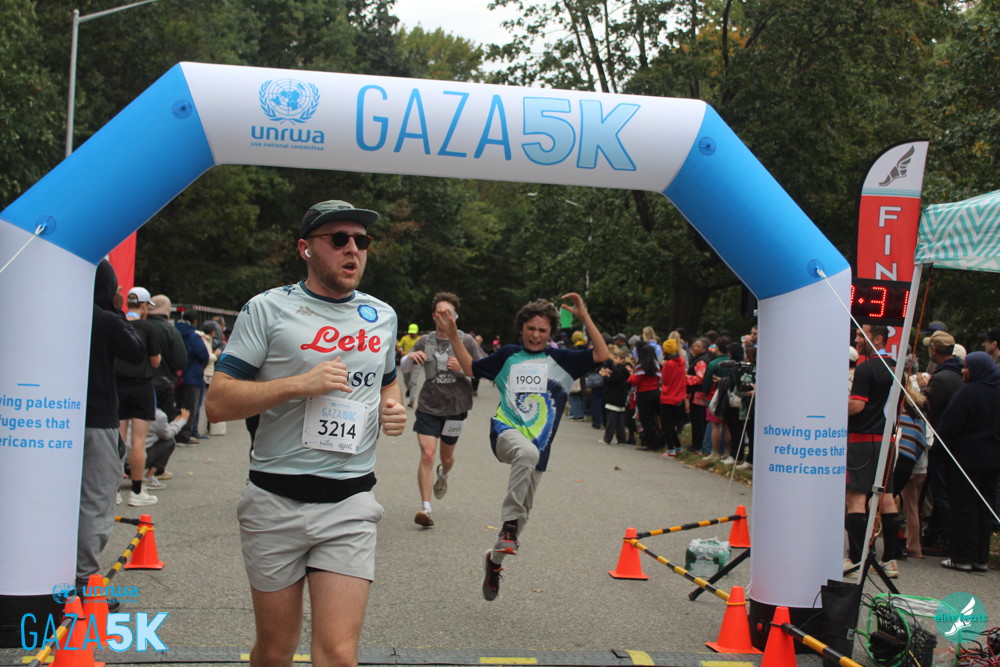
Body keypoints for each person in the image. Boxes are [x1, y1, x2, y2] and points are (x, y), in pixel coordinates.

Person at [205, 199, 406, 667]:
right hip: (274, 501)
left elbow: (387, 381)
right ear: (305, 249)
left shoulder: (382, 315)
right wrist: (299, 384)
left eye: (361, 240)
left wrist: (393, 408)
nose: (353, 248)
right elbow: (218, 403)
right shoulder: (267, 309)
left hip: (350, 502)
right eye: (338, 239)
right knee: (275, 651)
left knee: (338, 653)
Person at [441, 294, 608, 601]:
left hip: (538, 449)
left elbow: (601, 353)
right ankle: (507, 525)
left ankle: (494, 561)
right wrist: (453, 335)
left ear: (551, 333)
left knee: (523, 518)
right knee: (525, 456)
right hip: (505, 433)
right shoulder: (508, 355)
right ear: (521, 328)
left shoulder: (563, 361)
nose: (535, 335)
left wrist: (584, 316)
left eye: (542, 330)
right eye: (531, 328)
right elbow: (470, 368)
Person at [78, 260, 145, 590]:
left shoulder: (52, 311)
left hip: (47, 419)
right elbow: (135, 351)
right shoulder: (104, 320)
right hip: (97, 420)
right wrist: (116, 310)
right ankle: (83, 582)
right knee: (95, 501)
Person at [401, 292, 485, 527]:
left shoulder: (466, 341)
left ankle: (444, 474)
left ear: (455, 316)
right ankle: (425, 508)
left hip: (456, 407)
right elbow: (404, 367)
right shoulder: (425, 341)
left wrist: (463, 368)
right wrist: (411, 356)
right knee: (428, 455)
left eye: (448, 313)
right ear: (433, 316)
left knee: (446, 458)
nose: (443, 317)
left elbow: (483, 369)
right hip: (429, 405)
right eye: (439, 313)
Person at [935, 351, 1000, 572]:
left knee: (964, 508)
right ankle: (981, 558)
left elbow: (950, 426)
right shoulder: (996, 392)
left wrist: (940, 452)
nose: (963, 371)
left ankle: (962, 556)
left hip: (965, 461)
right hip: (992, 462)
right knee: (985, 508)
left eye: (966, 367)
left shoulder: (968, 393)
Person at [845, 324, 900, 579]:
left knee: (856, 498)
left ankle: (857, 559)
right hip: (888, 440)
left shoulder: (866, 368)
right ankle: (890, 560)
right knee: (886, 498)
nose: (857, 339)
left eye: (861, 335)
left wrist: (833, 406)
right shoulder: (897, 367)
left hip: (863, 440)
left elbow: (856, 406)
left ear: (878, 339)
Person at [117, 287, 163, 507]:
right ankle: (136, 491)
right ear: (144, 306)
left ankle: (114, 489)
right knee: (138, 441)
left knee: (117, 440)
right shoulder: (148, 327)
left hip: (117, 385)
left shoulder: (118, 324)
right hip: (142, 386)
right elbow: (155, 361)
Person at [147, 294, 187, 420]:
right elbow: (180, 361)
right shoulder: (171, 331)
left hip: (141, 383)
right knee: (164, 420)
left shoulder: (139, 326)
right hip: (165, 384)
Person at [175, 311, 208, 444]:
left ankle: (174, 432)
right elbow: (204, 355)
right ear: (195, 321)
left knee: (177, 405)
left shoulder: (175, 332)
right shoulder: (194, 337)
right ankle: (185, 436)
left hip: (177, 376)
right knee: (190, 406)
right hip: (192, 376)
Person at [658, 339, 686, 457]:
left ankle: (671, 449)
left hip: (668, 396)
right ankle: (678, 446)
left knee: (667, 424)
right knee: (673, 423)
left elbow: (665, 380)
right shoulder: (681, 361)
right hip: (679, 395)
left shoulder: (668, 364)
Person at [599, 349, 631, 445]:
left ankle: (607, 438)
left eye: (616, 358)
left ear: (622, 359)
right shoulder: (624, 370)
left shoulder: (619, 370)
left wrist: (604, 376)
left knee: (611, 419)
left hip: (614, 396)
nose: (614, 360)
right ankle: (621, 439)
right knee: (620, 420)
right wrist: (610, 373)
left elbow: (611, 382)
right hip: (622, 396)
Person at [397, 323, 421, 407]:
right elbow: (399, 346)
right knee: (406, 381)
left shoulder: (420, 340)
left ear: (417, 332)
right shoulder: (405, 338)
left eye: (413, 332)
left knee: (413, 382)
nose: (412, 334)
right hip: (406, 362)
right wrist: (401, 351)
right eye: (411, 332)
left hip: (416, 362)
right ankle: (409, 388)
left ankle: (411, 401)